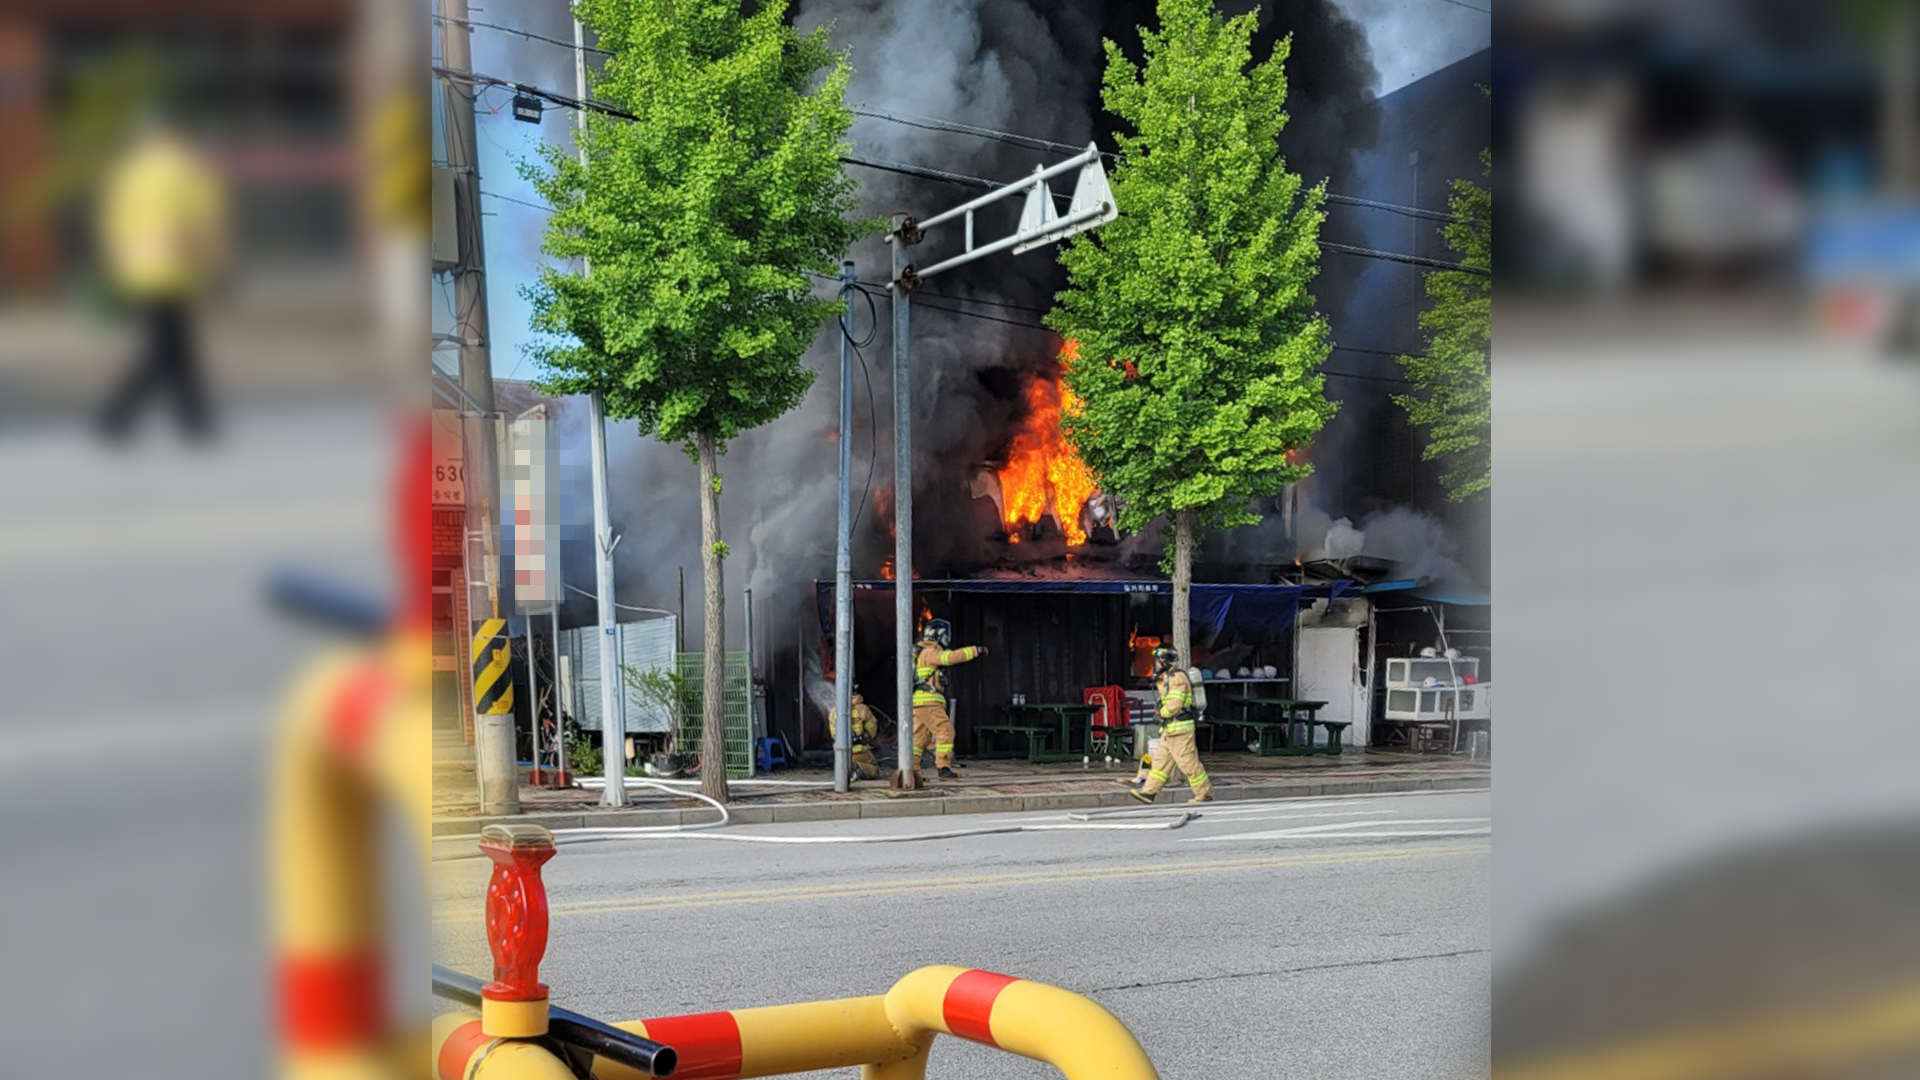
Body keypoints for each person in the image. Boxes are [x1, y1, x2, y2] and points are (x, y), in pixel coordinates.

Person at [95, 114, 230, 441]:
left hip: (136, 271)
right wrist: (217, 265)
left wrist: (116, 266)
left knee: (179, 350)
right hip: (175, 270)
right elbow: (204, 222)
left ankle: (194, 420)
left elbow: (112, 224)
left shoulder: (129, 173)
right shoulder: (188, 170)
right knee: (163, 352)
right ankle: (116, 415)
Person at [908, 618, 986, 781]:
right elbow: (950, 657)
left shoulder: (920, 653)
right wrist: (975, 650)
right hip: (930, 702)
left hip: (918, 702)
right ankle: (943, 768)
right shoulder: (931, 651)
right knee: (945, 732)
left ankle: (912, 772)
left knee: (919, 739)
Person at [1133, 645, 1213, 804]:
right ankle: (1149, 792)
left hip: (1180, 730)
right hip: (1170, 731)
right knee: (1160, 764)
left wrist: (1160, 713)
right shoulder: (1168, 677)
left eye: (1157, 661)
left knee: (1189, 764)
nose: (1155, 664)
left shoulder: (1177, 678)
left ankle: (1204, 793)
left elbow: (1174, 705)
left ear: (1164, 660)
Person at [830, 687, 881, 782]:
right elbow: (872, 730)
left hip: (841, 752)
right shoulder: (863, 709)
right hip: (861, 751)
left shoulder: (834, 711)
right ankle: (859, 768)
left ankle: (847, 769)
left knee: (843, 768)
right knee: (875, 770)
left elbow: (833, 734)